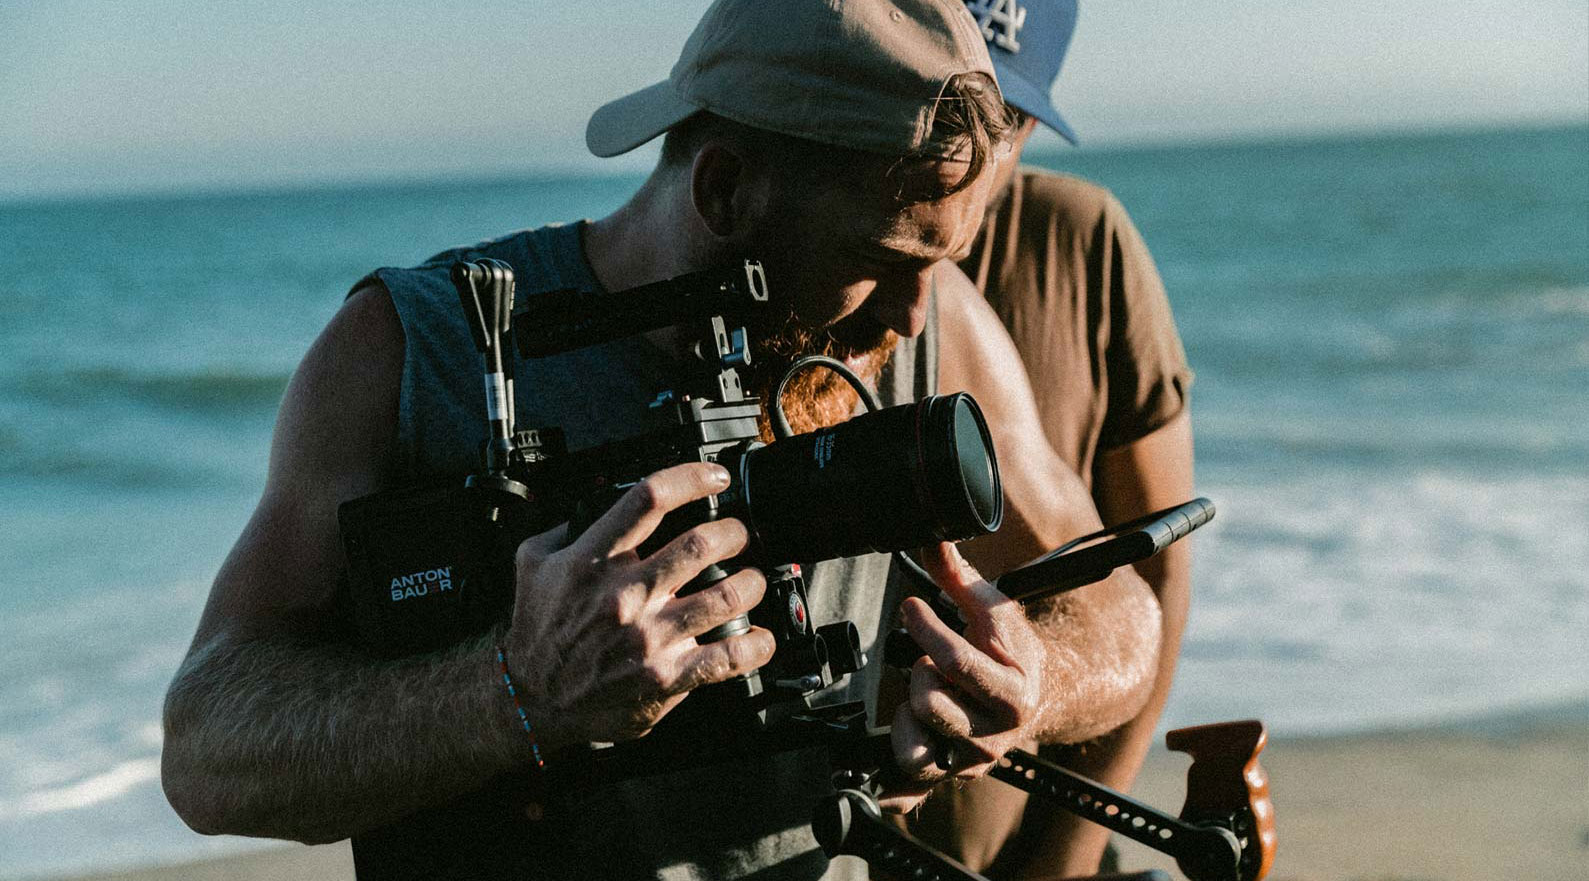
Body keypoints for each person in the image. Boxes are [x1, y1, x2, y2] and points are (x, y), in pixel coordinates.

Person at [159, 1, 1164, 879]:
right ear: (723, 188)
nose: (908, 320)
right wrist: (514, 688)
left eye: (939, 259)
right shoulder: (407, 353)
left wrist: (1034, 677)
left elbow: (1119, 607)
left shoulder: (934, 319)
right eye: (876, 257)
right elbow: (207, 753)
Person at [904, 2, 1198, 877]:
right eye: (943, 104)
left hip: (1029, 838)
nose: (972, 146)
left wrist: (1061, 856)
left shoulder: (1083, 241)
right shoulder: (831, 250)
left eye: (1005, 116)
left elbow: (1157, 573)